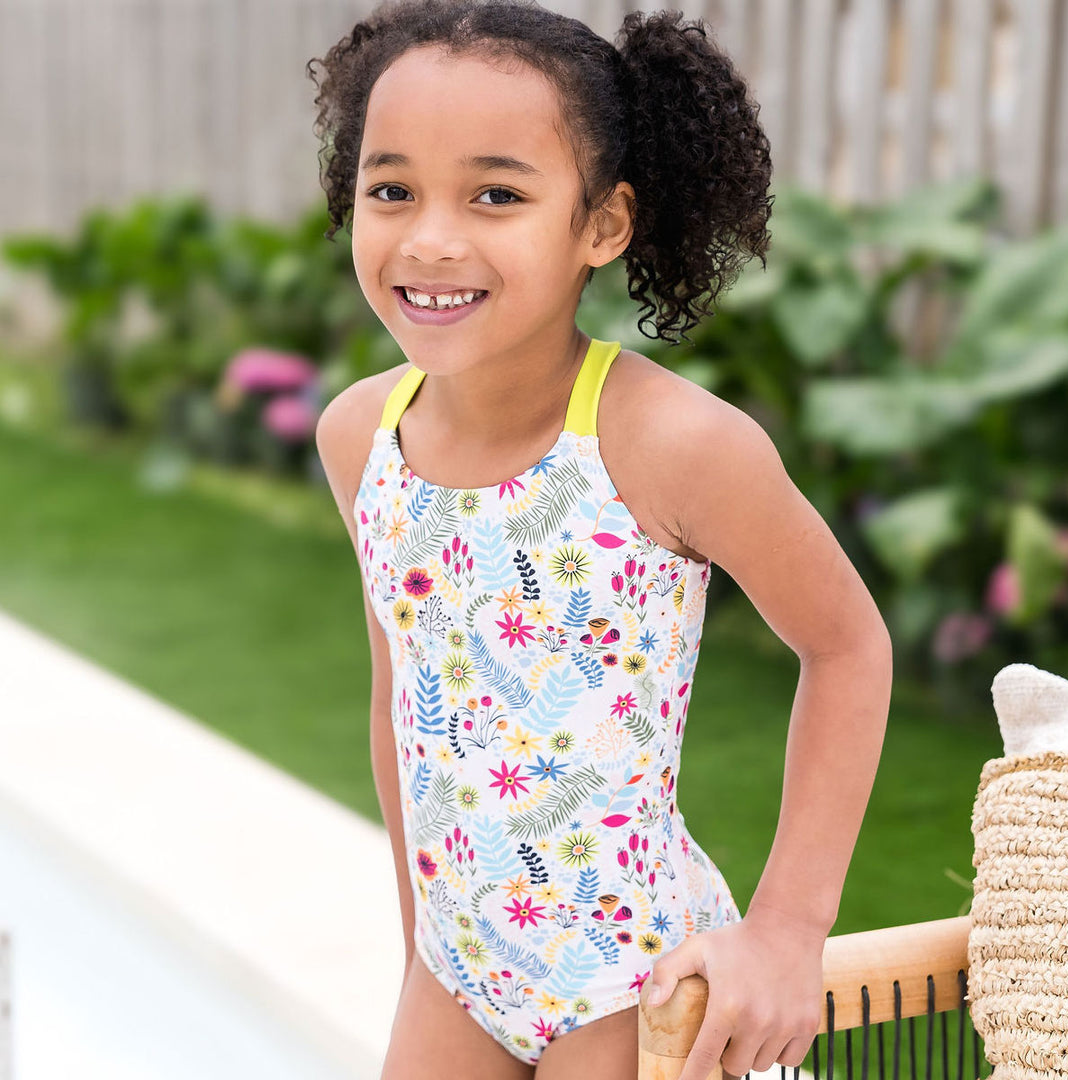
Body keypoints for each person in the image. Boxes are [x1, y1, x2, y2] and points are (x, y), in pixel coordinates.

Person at [310, 2, 892, 1078]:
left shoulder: (675, 445)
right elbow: (404, 701)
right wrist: (420, 948)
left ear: (604, 225)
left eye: (496, 194)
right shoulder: (361, 439)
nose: (430, 238)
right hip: (457, 972)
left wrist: (788, 930)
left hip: (632, 984)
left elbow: (848, 646)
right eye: (392, 190)